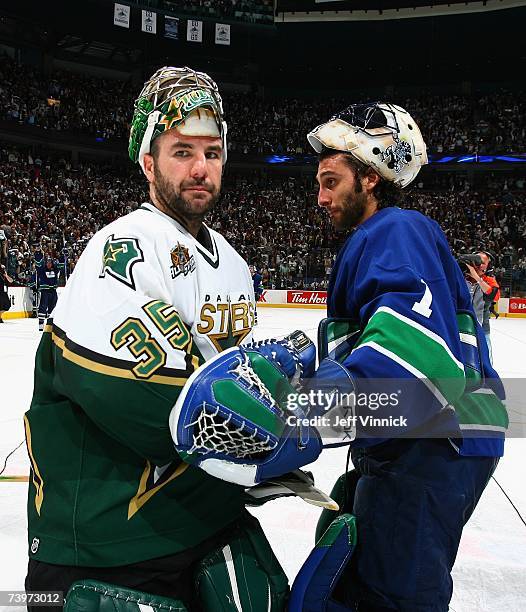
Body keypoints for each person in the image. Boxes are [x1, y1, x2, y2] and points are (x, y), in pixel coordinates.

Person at [24, 66, 292, 611]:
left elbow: (234, 386)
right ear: (148, 162)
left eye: (212, 153)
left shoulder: (236, 266)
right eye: (181, 151)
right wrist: (278, 430)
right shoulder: (121, 250)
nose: (201, 168)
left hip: (206, 518)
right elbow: (152, 407)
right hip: (107, 539)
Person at [301, 103, 507, 611]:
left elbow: (410, 356)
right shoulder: (391, 234)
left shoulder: (393, 229)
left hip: (431, 444)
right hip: (441, 439)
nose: (320, 196)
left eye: (331, 181)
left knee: (395, 596)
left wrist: (297, 416)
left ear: (370, 178)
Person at [33, 249, 64, 331]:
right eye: (47, 262)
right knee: (42, 307)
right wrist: (38, 253)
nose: (49, 264)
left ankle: (50, 325)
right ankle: (41, 325)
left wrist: (61, 256)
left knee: (53, 308)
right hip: (45, 292)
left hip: (53, 291)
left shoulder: (55, 270)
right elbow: (38, 263)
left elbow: (62, 265)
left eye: (50, 263)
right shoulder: (41, 270)